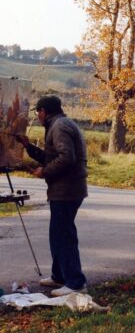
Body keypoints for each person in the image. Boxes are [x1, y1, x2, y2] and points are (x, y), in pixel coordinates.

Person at [17, 95, 87, 297]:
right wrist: (28, 146)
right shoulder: (59, 123)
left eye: (38, 112)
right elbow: (51, 157)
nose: (37, 116)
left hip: (67, 190)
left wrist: (44, 172)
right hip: (65, 189)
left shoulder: (59, 127)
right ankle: (59, 276)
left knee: (63, 235)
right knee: (58, 233)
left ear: (43, 112)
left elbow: (67, 158)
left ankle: (75, 283)